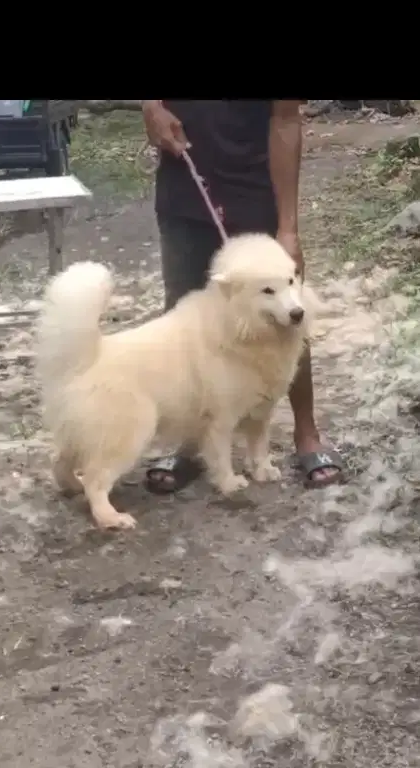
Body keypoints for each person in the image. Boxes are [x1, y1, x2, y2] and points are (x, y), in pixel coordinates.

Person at [141, 100, 343, 493]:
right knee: (186, 320)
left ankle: (306, 432)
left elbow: (285, 120)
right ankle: (189, 439)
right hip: (184, 186)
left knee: (287, 317)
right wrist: (150, 106)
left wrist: (288, 228)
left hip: (255, 190)